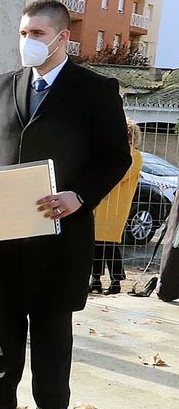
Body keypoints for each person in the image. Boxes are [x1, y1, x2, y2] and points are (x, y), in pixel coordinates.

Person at [0, 0, 132, 409]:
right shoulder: (5, 84)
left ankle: (53, 404)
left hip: (58, 224)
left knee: (51, 317)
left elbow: (115, 157)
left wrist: (80, 196)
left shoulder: (95, 89)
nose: (27, 41)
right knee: (4, 308)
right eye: (23, 33)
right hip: (2, 221)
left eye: (36, 34)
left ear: (61, 38)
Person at [89, 121, 143, 295]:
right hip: (100, 206)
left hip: (115, 208)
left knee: (110, 245)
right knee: (96, 244)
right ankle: (95, 279)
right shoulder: (114, 154)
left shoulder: (134, 156)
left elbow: (118, 175)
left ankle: (116, 281)